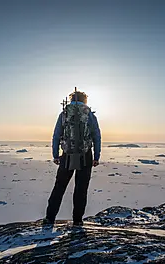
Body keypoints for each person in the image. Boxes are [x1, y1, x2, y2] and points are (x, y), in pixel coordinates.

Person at [43, 90, 101, 226]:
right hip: (86, 155)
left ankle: (49, 218)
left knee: (59, 187)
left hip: (67, 154)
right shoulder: (90, 116)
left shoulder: (64, 114)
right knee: (81, 188)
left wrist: (55, 155)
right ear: (85, 101)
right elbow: (96, 136)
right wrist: (96, 156)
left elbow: (56, 135)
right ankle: (77, 221)